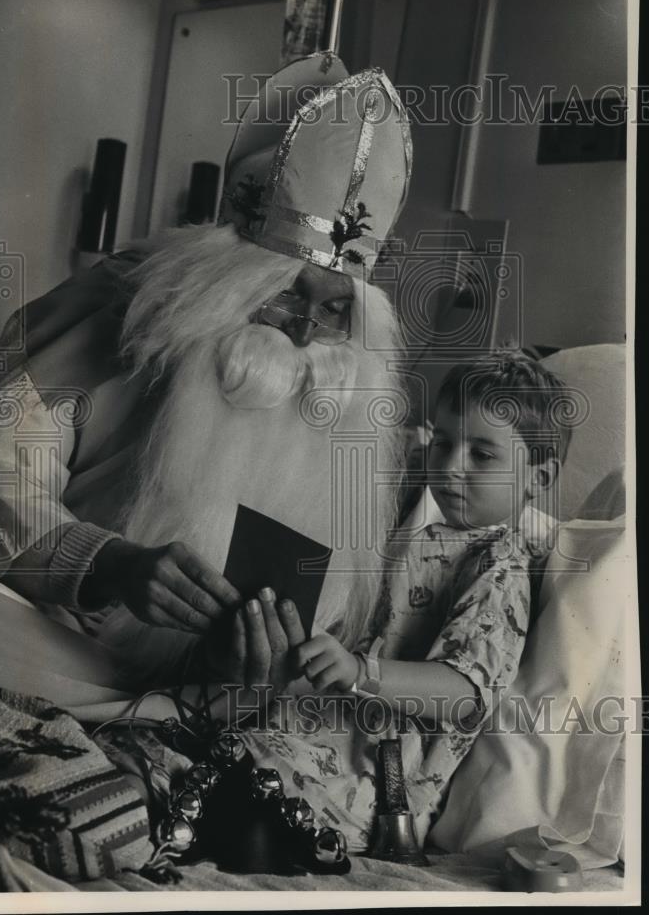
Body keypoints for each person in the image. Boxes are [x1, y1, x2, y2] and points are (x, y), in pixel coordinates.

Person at [0, 51, 413, 721]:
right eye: (284, 294)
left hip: (182, 702)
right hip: (35, 640)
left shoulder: (346, 396)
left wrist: (245, 662)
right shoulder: (120, 311)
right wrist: (106, 564)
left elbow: (309, 626)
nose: (302, 332)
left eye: (332, 310)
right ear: (231, 281)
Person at [241, 350, 573, 850]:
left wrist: (360, 673)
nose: (451, 467)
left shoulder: (499, 566)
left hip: (382, 780)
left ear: (538, 479)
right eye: (443, 444)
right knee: (215, 743)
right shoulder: (412, 540)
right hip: (328, 728)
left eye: (482, 455)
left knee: (253, 789)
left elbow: (465, 694)